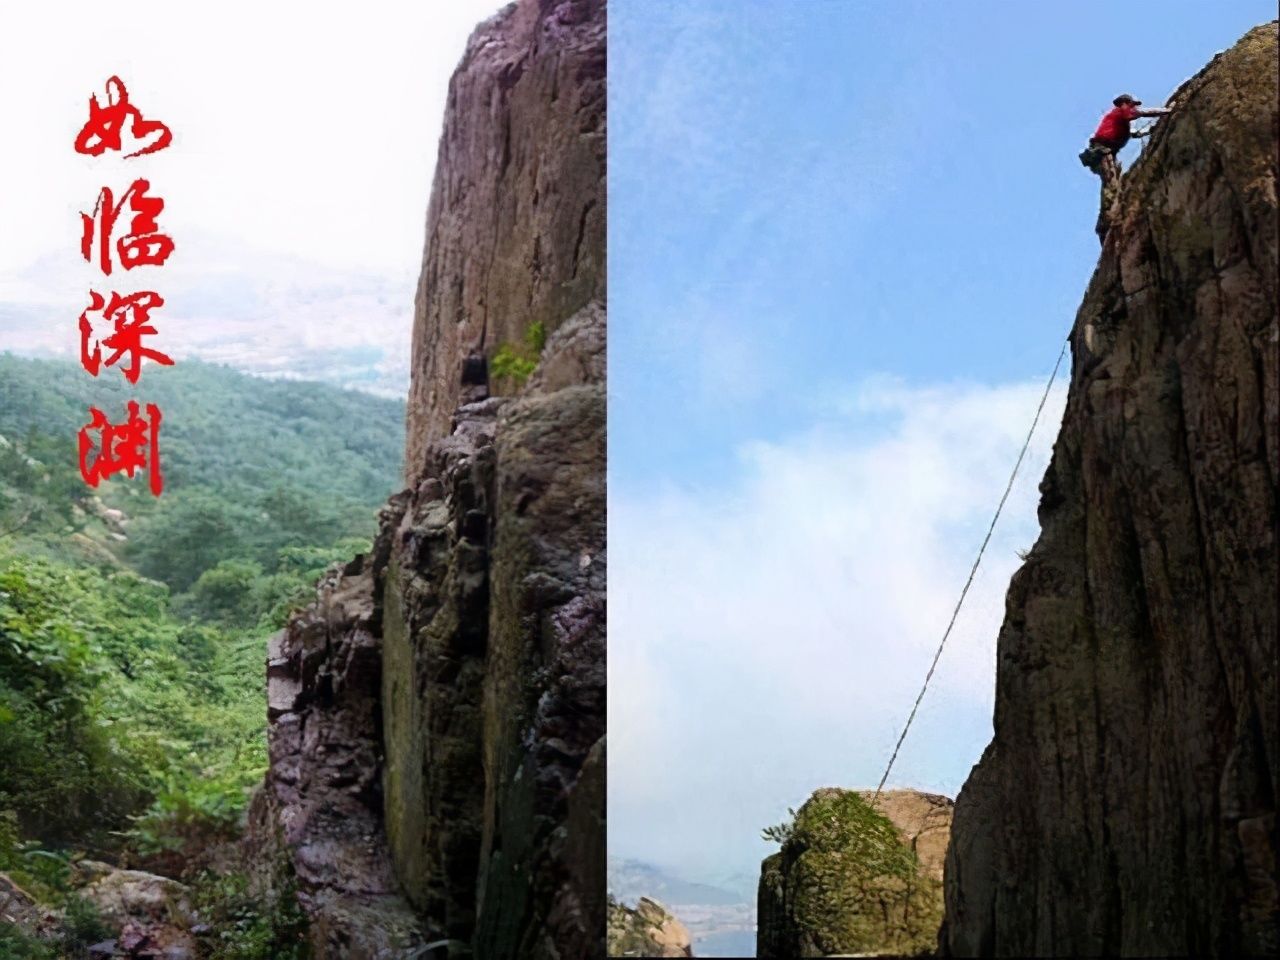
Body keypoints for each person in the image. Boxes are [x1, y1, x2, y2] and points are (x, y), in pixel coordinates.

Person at [1080, 94, 1173, 240]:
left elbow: (1135, 133)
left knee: (1112, 180)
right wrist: (1167, 111)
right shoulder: (1119, 113)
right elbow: (1141, 113)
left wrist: (1150, 130)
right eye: (1131, 104)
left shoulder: (1120, 121)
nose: (1133, 107)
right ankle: (1109, 212)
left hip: (1105, 151)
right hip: (1101, 151)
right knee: (1110, 183)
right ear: (1123, 103)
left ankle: (1108, 212)